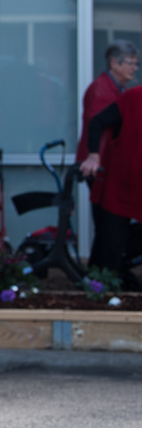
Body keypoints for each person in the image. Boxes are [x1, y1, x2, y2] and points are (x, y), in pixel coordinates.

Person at [76, 40, 138, 274]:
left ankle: (99, 274)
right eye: (131, 63)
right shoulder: (102, 89)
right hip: (100, 168)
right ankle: (102, 275)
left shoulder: (118, 89)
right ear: (114, 63)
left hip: (105, 166)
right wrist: (96, 159)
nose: (135, 68)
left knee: (107, 227)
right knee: (108, 225)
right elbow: (97, 125)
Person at [80, 85, 142, 290]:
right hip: (121, 183)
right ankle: (100, 290)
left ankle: (118, 276)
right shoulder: (134, 97)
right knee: (110, 242)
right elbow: (97, 122)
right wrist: (93, 155)